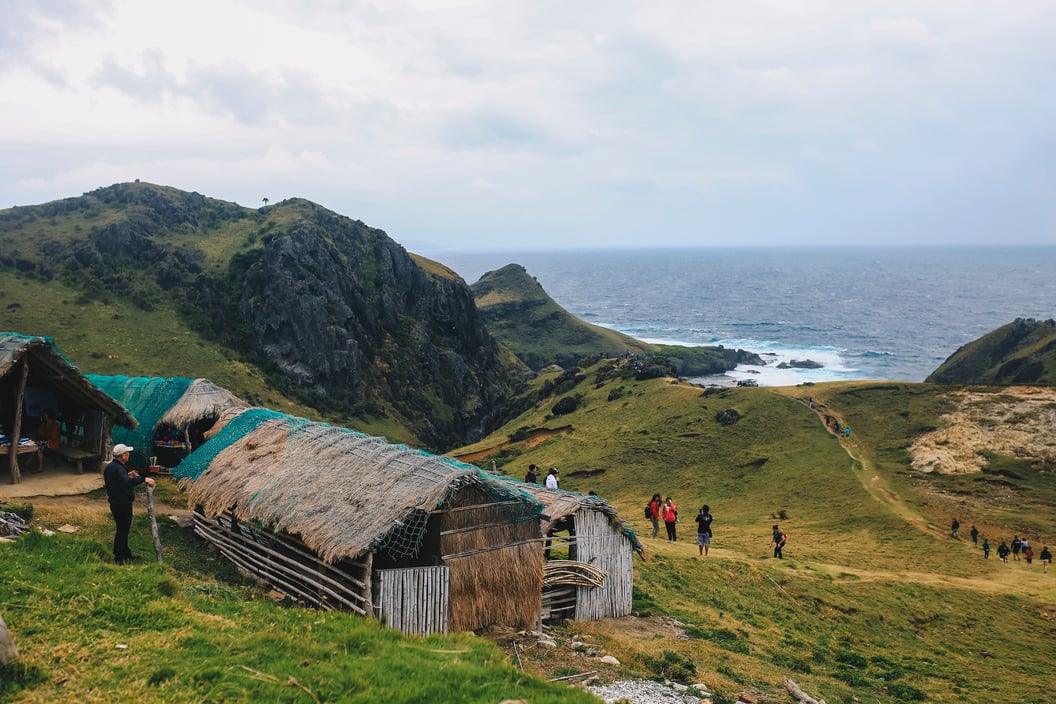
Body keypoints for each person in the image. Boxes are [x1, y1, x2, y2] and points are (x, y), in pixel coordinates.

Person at [103, 443, 155, 564]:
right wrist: (144, 479)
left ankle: (124, 552)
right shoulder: (118, 468)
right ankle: (119, 557)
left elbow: (119, 480)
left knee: (122, 529)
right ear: (122, 456)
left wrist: (127, 475)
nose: (128, 455)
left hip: (116, 502)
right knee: (123, 529)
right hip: (121, 504)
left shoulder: (111, 467)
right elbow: (127, 482)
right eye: (127, 453)